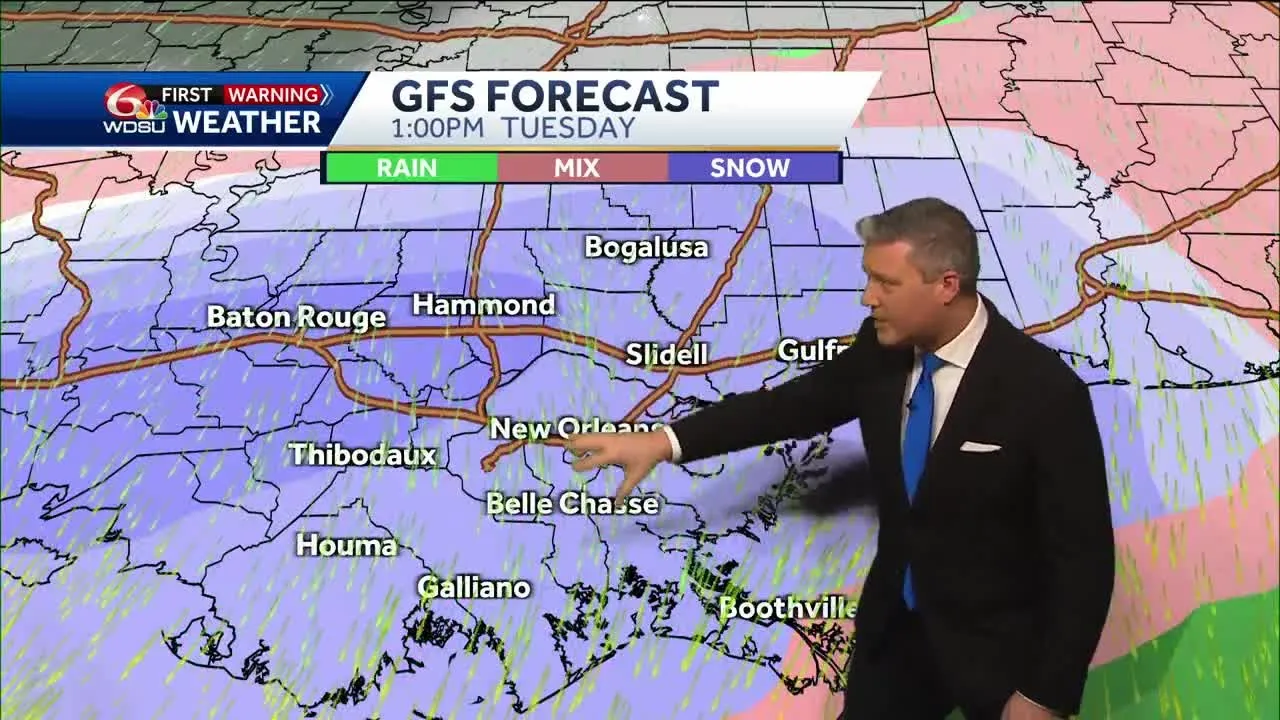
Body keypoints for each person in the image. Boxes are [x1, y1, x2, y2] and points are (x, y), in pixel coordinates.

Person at [567, 197, 1116, 720]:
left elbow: (1083, 561)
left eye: (886, 283)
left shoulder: (1044, 393)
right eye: (868, 278)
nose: (868, 298)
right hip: (896, 640)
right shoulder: (880, 352)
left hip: (999, 652)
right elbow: (788, 408)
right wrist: (662, 442)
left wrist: (1044, 693)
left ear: (947, 285)